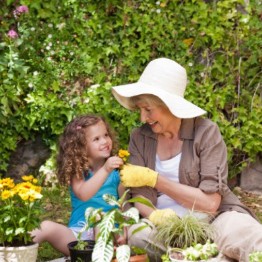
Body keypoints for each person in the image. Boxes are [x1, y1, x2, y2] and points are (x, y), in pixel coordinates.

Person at [111, 58, 262, 262]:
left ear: (169, 105)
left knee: (251, 235)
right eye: (140, 109)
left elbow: (210, 203)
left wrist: (157, 180)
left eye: (148, 109)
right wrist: (161, 219)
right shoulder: (140, 137)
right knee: (139, 235)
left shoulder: (206, 133)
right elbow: (140, 198)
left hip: (215, 218)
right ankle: (210, 256)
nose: (142, 118)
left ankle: (200, 254)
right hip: (164, 228)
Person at [31, 114, 125, 256]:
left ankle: (100, 258)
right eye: (96, 139)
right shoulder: (79, 171)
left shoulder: (117, 172)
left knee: (101, 222)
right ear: (81, 146)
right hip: (77, 237)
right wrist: (106, 169)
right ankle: (12, 250)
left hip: (107, 233)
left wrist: (124, 229)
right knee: (45, 227)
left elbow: (124, 204)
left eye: (106, 135)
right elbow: (83, 194)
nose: (105, 141)